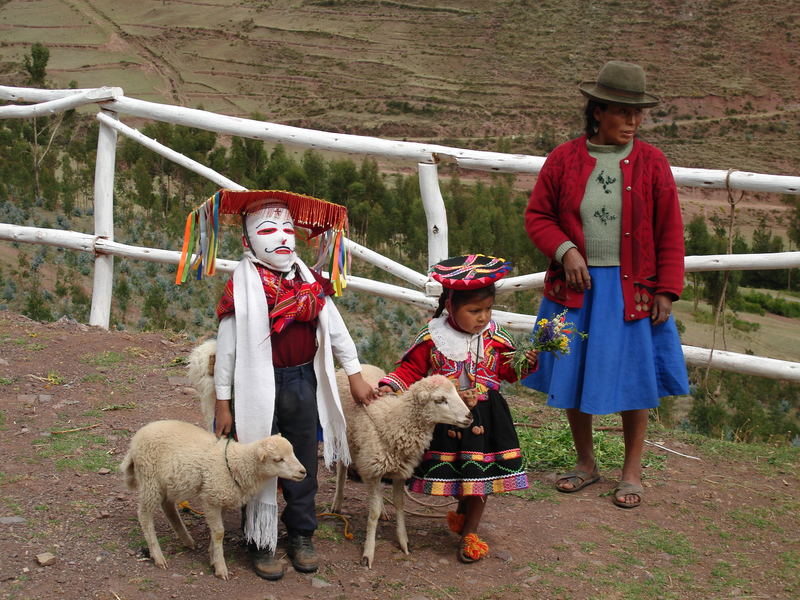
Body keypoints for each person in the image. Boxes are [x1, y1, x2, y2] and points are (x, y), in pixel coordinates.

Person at [176, 189, 376, 580]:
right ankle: (260, 539)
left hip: (303, 380)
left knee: (300, 460)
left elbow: (336, 332)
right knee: (257, 460)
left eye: (288, 229)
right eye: (269, 229)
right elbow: (229, 351)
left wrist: (353, 375)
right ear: (248, 241)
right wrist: (223, 403)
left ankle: (301, 533)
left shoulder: (310, 283)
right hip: (256, 385)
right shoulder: (243, 287)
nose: (283, 237)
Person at [522, 61, 689, 509]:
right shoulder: (564, 159)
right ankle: (585, 463)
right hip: (576, 288)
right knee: (573, 371)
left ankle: (631, 471)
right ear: (597, 112)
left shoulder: (653, 163)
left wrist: (666, 290)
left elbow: (671, 231)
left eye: (638, 114)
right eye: (622, 112)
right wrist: (566, 251)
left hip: (631, 290)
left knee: (635, 379)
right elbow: (538, 216)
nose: (633, 122)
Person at [377, 254, 538, 563]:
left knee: (478, 479)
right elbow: (411, 369)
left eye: (488, 309)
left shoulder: (495, 338)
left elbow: (507, 372)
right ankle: (462, 515)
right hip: (447, 418)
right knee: (460, 476)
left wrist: (524, 363)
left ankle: (470, 534)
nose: (482, 317)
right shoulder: (433, 337)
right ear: (450, 307)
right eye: (474, 310)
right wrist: (390, 385)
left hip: (487, 417)